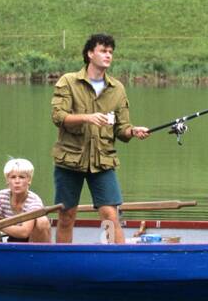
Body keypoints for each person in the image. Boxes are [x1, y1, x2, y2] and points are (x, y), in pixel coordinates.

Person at [51, 32, 149, 245]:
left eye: (111, 52)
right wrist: (87, 117)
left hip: (103, 161)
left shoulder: (117, 89)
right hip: (70, 160)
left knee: (110, 215)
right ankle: (64, 263)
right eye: (103, 51)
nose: (108, 55)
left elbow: (121, 129)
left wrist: (133, 131)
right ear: (89, 53)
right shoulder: (68, 81)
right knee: (66, 216)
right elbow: (58, 117)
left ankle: (119, 262)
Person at [0, 159, 52, 243]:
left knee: (42, 221)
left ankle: (39, 254)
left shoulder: (34, 201)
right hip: (11, 235)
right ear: (7, 180)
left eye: (22, 177)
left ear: (29, 180)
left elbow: (24, 232)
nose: (17, 181)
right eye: (13, 177)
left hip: (32, 239)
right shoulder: (0, 196)